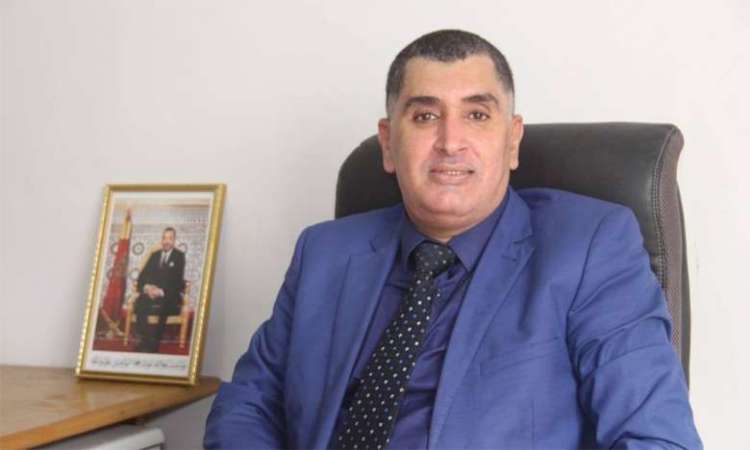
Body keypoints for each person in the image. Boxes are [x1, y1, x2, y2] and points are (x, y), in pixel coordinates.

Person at [204, 30, 702, 449]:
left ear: (512, 140)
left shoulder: (591, 246)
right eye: (425, 116)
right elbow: (248, 403)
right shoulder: (325, 253)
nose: (450, 142)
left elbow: (656, 437)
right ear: (388, 144)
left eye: (477, 115)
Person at [133, 226, 185, 353]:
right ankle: (146, 340)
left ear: (174, 240)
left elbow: (177, 282)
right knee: (140, 302)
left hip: (168, 295)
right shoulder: (154, 255)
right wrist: (148, 288)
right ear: (162, 240)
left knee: (164, 305)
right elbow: (142, 277)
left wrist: (160, 292)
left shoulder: (179, 256)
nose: (166, 241)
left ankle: (153, 344)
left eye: (170, 238)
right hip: (151, 293)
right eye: (164, 238)